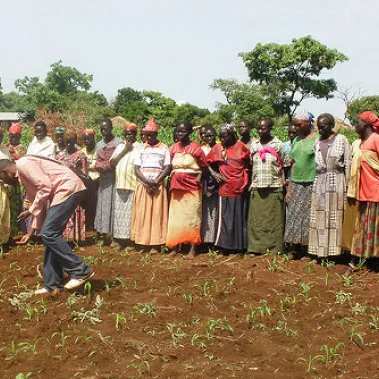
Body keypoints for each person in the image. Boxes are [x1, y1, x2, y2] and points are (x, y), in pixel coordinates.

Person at [0, 156, 93, 294]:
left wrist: (31, 210)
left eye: (1, 177)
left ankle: (80, 271)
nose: (3, 181)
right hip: (63, 191)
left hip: (68, 189)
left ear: (4, 171)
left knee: (49, 233)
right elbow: (40, 205)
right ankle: (53, 284)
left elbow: (45, 187)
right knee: (49, 236)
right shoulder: (23, 178)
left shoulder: (24, 164)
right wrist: (30, 232)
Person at [308, 114, 351, 259]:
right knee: (320, 217)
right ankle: (320, 252)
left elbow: (348, 165)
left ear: (331, 125)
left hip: (337, 182)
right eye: (318, 127)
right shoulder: (316, 142)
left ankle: (335, 253)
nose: (320, 130)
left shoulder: (342, 140)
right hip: (320, 183)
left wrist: (348, 187)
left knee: (335, 218)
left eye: (323, 127)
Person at [248, 118, 290, 254]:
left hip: (274, 187)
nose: (260, 131)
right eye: (258, 128)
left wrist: (285, 185)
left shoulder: (278, 145)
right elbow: (250, 165)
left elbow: (286, 165)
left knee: (274, 220)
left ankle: (274, 249)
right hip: (257, 187)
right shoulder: (254, 146)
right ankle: (256, 248)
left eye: (263, 128)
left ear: (270, 128)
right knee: (257, 220)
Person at [166, 122, 208, 258]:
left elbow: (204, 166)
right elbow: (169, 167)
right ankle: (176, 246)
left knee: (192, 216)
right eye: (178, 132)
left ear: (189, 132)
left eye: (182, 132)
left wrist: (200, 176)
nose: (179, 134)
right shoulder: (173, 148)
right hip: (176, 186)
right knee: (177, 217)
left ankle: (192, 248)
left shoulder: (196, 148)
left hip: (192, 186)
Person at [207, 124, 250, 252]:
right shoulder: (217, 148)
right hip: (224, 188)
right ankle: (224, 246)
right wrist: (214, 174)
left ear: (232, 135)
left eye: (225, 136)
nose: (223, 139)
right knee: (225, 218)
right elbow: (205, 161)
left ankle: (238, 248)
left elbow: (248, 163)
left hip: (238, 187)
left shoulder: (240, 146)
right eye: (221, 137)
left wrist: (246, 179)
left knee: (238, 218)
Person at [131, 118, 170, 254]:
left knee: (157, 215)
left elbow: (167, 167)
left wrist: (157, 181)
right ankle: (142, 243)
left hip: (158, 187)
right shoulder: (140, 148)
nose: (147, 138)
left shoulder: (164, 148)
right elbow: (136, 168)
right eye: (146, 135)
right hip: (144, 186)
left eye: (151, 135)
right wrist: (148, 182)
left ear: (156, 135)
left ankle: (155, 244)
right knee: (143, 214)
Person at [284, 111, 318, 258]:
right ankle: (296, 249)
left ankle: (308, 251)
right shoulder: (296, 140)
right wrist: (289, 189)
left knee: (309, 217)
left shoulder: (317, 139)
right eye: (295, 124)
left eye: (299, 124)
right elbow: (293, 164)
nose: (296, 127)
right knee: (294, 216)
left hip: (311, 182)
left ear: (308, 123)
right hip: (296, 182)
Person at [347, 111, 379, 264]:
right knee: (362, 228)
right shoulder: (359, 143)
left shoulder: (375, 139)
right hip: (362, 191)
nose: (355, 125)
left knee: (374, 227)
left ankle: (372, 261)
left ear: (366, 124)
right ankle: (360, 259)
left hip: (375, 191)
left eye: (357, 122)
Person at [110, 123, 142, 249]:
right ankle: (119, 241)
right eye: (126, 134)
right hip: (120, 184)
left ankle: (130, 242)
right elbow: (112, 163)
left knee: (130, 216)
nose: (128, 136)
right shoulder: (120, 146)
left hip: (133, 185)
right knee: (119, 215)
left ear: (135, 134)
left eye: (130, 134)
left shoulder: (139, 147)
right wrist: (125, 150)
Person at [56, 133, 89, 243]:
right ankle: (64, 238)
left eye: (72, 141)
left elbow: (85, 175)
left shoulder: (80, 155)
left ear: (76, 142)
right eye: (67, 141)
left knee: (75, 212)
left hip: (76, 190)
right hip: (63, 190)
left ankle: (75, 239)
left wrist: (74, 171)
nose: (69, 144)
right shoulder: (59, 156)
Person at [94, 118, 121, 243]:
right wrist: (107, 164)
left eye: (106, 128)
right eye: (101, 129)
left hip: (116, 179)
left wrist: (107, 164)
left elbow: (119, 162)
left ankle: (115, 237)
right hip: (104, 181)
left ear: (111, 128)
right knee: (103, 207)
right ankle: (103, 236)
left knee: (115, 207)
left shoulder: (119, 143)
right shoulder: (99, 144)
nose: (103, 131)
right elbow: (97, 163)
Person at [200, 125, 219, 247]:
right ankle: (206, 240)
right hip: (206, 182)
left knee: (217, 211)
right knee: (206, 212)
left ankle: (216, 240)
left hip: (218, 183)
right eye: (206, 136)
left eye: (211, 135)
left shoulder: (220, 147)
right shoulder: (202, 149)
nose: (209, 138)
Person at [5, 123, 26, 235]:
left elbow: (22, 160)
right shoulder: (6, 146)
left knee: (16, 205)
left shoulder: (21, 148)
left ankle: (15, 230)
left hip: (17, 181)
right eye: (11, 136)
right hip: (6, 182)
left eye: (15, 136)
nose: (13, 138)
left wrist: (13, 154)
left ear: (19, 137)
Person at [81, 129, 99, 231]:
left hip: (97, 180)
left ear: (93, 138)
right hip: (86, 182)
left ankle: (94, 225)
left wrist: (90, 167)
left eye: (89, 139)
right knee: (87, 204)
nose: (86, 141)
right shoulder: (82, 151)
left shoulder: (98, 150)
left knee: (95, 204)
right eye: (85, 139)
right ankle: (87, 224)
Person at [0, 130, 11, 248]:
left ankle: (3, 240)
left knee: (4, 212)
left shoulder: (5, 149)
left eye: (1, 136)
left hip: (4, 186)